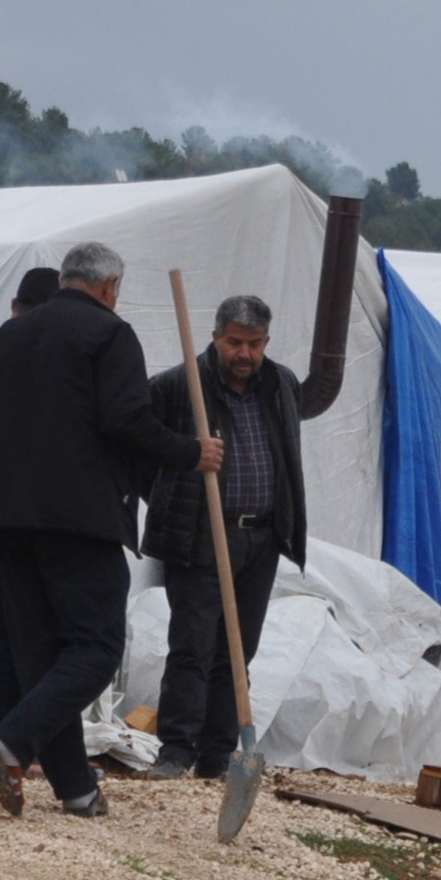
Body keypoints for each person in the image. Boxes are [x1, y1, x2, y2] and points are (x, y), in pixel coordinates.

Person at [0, 240, 219, 818]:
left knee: (43, 659)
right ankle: (13, 742)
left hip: (1, 522)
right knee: (96, 648)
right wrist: (190, 452)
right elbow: (126, 421)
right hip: (77, 519)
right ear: (109, 288)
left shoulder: (3, 340)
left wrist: (5, 474)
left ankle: (75, 789)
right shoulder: (108, 334)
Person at [141, 293, 311, 780]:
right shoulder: (180, 385)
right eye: (235, 342)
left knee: (240, 648)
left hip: (261, 537)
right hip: (201, 534)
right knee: (193, 643)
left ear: (266, 343)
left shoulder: (280, 384)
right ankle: (176, 749)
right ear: (216, 337)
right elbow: (143, 450)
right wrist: (180, 483)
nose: (245, 354)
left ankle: (217, 753)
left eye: (254, 344)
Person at [0, 266, 62, 733]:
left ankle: (7, 731)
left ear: (15, 306)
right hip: (26, 514)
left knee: (1, 626)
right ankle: (24, 736)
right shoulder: (34, 353)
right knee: (34, 629)